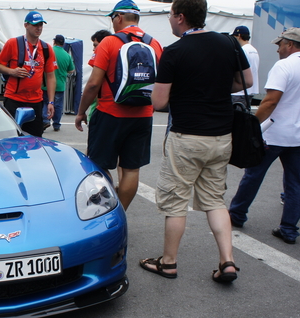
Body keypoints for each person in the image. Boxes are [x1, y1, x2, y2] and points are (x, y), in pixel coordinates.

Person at [139, 0, 252, 283]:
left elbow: (159, 101)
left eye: (169, 15)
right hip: (222, 136)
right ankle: (227, 261)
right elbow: (245, 81)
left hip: (187, 137)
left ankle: (169, 262)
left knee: (176, 202)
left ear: (180, 17)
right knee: (215, 200)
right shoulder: (230, 44)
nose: (169, 20)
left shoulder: (175, 51)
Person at [73, 0, 163, 211]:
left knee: (99, 168)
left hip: (109, 113)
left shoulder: (110, 42)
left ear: (119, 17)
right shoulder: (155, 44)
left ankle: (104, 215)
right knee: (131, 170)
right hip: (142, 116)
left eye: (113, 19)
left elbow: (94, 83)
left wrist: (81, 111)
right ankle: (120, 213)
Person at [229, 27, 300, 245]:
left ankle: (237, 214)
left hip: (276, 132)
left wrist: (253, 126)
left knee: (253, 174)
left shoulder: (285, 66)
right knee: (296, 182)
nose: (278, 49)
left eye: (280, 44)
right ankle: (289, 229)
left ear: (290, 45)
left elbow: (271, 100)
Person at [0, 11, 57, 137]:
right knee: (12, 136)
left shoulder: (46, 48)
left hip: (36, 101)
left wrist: (51, 102)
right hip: (14, 99)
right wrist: (12, 71)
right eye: (35, 25)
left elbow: (50, 76)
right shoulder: (13, 43)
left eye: (41, 25)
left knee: (35, 139)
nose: (38, 28)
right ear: (26, 25)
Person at [42, 35, 75, 131]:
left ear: (54, 42)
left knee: (45, 103)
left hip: (46, 84)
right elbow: (71, 70)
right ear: (63, 43)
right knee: (58, 105)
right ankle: (56, 124)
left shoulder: (48, 52)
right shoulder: (67, 55)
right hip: (60, 85)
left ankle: (45, 120)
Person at [231, 25, 260, 108]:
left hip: (239, 92)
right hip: (250, 91)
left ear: (239, 36)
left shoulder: (242, 50)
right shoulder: (254, 50)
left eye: (235, 36)